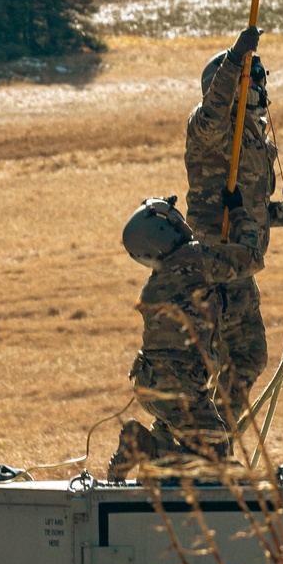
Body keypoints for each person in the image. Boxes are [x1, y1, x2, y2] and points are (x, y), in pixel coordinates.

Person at [185, 26, 283, 423]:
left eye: (260, 79)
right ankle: (183, 448)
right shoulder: (210, 132)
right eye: (251, 81)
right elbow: (217, 107)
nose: (261, 87)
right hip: (213, 269)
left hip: (242, 270)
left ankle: (216, 447)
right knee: (199, 369)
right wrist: (237, 55)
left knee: (250, 358)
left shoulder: (253, 141)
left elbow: (259, 210)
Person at [107, 192, 262, 482]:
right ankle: (141, 446)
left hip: (151, 384)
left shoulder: (156, 282)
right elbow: (251, 258)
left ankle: (152, 448)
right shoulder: (194, 258)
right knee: (217, 460)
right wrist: (240, 213)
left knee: (182, 440)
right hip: (180, 386)